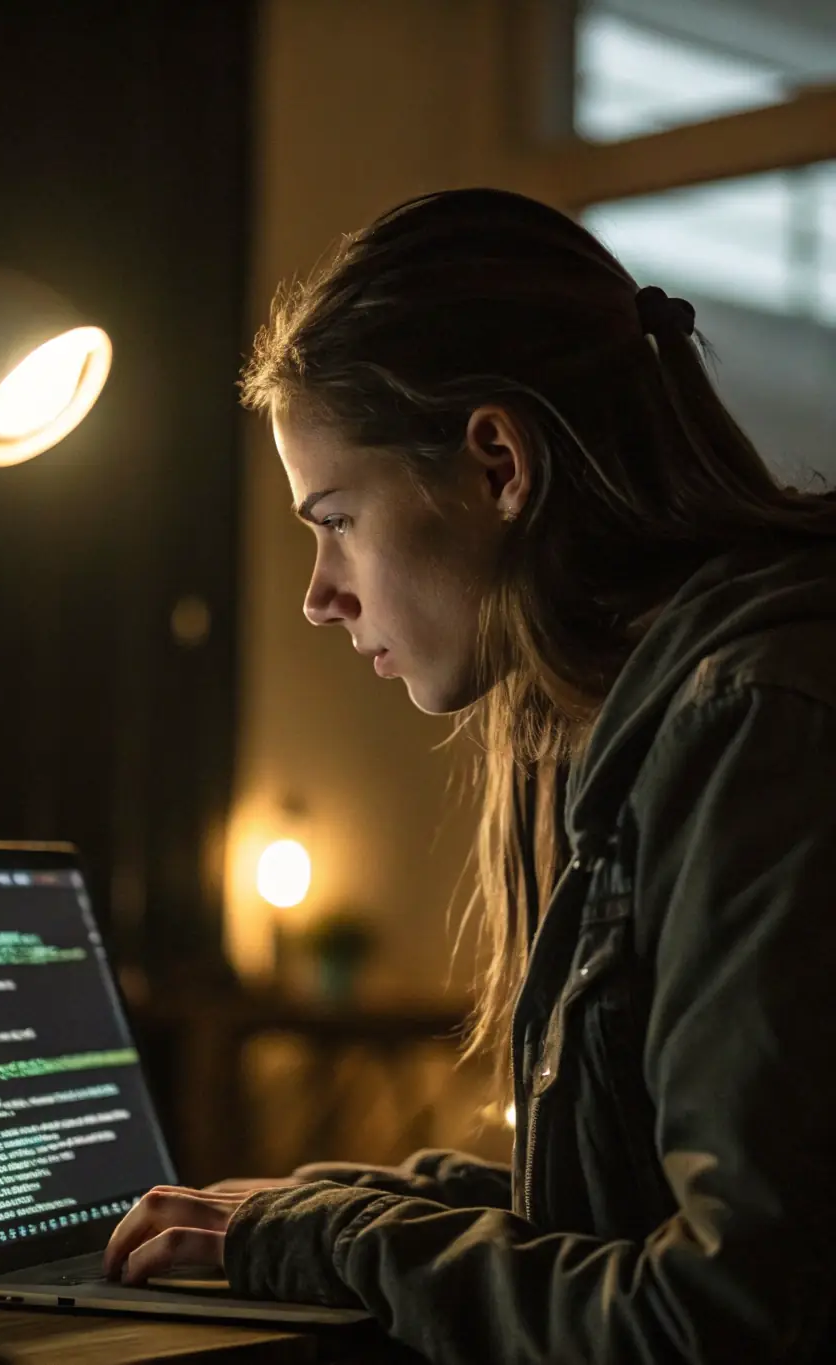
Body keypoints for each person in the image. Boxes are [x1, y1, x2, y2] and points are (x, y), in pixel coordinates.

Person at [102, 188, 836, 1364]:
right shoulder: (652, 712)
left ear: (497, 461)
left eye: (335, 518)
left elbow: (728, 1318)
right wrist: (333, 1205)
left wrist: (334, 1236)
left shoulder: (752, 720)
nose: (318, 593)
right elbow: (625, 1193)